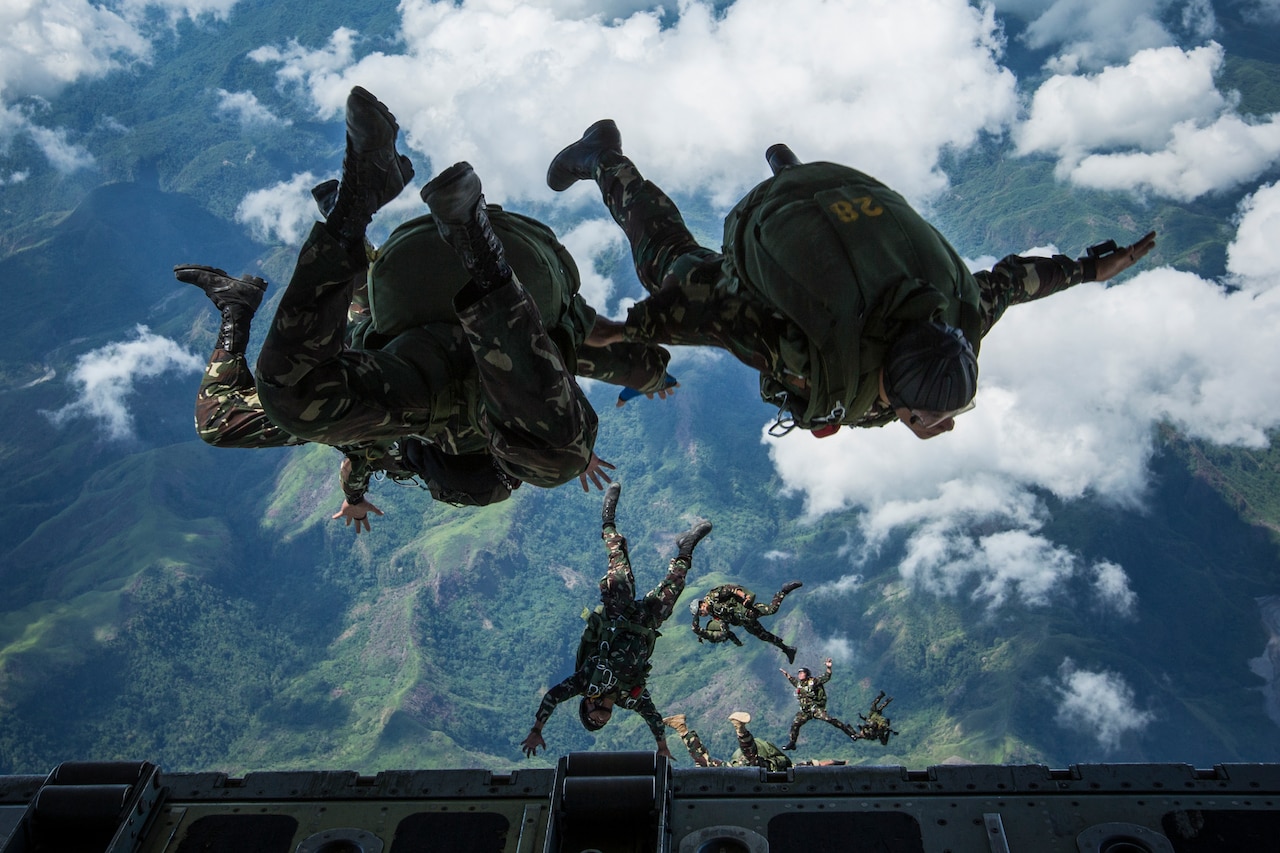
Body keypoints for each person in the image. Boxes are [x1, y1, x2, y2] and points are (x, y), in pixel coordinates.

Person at [177, 87, 674, 530]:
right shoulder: (391, 432)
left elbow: (627, 360)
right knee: (279, 404)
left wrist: (643, 382)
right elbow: (336, 434)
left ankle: (371, 207)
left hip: (514, 265)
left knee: (561, 456)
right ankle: (352, 222)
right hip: (412, 271)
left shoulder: (544, 375)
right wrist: (354, 494)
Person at [546, 120, 1157, 441]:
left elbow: (1014, 281)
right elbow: (711, 311)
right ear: (890, 382)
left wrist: (1090, 269)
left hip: (841, 198)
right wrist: (622, 330)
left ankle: (795, 173)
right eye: (926, 415)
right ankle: (604, 156)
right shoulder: (809, 349)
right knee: (666, 259)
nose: (936, 427)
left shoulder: (957, 318)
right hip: (777, 227)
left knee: (814, 261)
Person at [521, 482, 712, 759]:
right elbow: (654, 718)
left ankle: (608, 519)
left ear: (587, 704)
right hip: (645, 623)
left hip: (617, 614)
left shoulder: (585, 682)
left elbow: (553, 696)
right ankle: (687, 545)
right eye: (601, 724)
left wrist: (537, 728)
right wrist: (661, 747)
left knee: (618, 562)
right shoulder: (630, 697)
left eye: (593, 719)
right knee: (674, 586)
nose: (600, 719)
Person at [663, 711, 845, 769]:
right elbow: (818, 764)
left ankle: (682, 729)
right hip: (758, 762)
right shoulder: (788, 770)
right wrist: (841, 763)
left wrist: (840, 763)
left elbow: (817, 764)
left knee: (706, 762)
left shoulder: (775, 767)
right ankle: (682, 728)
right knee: (705, 762)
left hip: (764, 762)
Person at [690, 581, 803, 663]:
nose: (702, 615)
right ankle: (787, 649)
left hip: (747, 611)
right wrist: (703, 635)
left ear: (701, 605)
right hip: (744, 622)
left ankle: (784, 591)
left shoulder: (713, 596)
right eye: (700, 615)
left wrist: (744, 597)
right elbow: (721, 624)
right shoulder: (712, 612)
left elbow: (731, 589)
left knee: (772, 609)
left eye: (700, 612)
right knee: (764, 636)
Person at [779, 658, 857, 749]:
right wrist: (787, 675)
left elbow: (826, 677)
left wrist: (828, 668)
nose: (800, 674)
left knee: (829, 719)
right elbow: (793, 680)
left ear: (807, 674)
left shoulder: (813, 682)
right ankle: (792, 743)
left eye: (802, 673)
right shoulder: (799, 684)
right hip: (805, 711)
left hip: (815, 708)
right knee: (795, 724)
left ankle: (850, 732)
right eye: (799, 673)